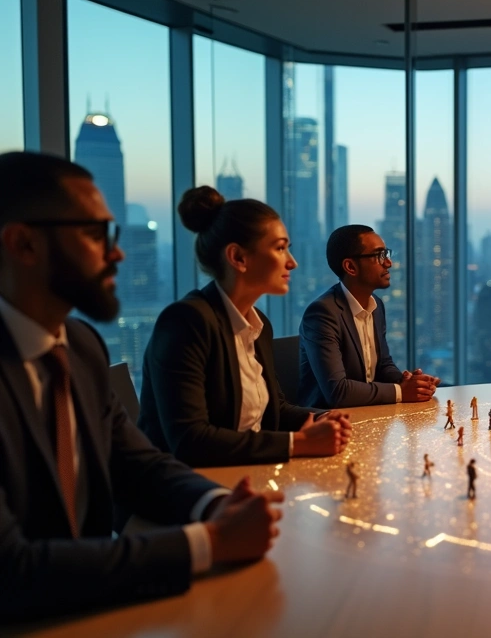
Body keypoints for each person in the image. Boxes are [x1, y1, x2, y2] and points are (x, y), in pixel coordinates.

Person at [0, 152, 284, 620]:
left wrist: (217, 505)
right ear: (23, 244)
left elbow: (137, 463)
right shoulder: (184, 321)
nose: (118, 253)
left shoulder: (80, 347)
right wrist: (209, 542)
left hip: (95, 607)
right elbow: (12, 571)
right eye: (96, 235)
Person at [139, 186, 351, 467]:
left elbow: (274, 410)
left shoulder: (258, 325)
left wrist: (322, 418)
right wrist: (299, 443)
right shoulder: (186, 322)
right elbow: (189, 441)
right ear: (238, 257)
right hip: (188, 485)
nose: (292, 262)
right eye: (280, 248)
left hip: (244, 473)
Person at [298, 225, 439, 409]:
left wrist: (411, 382)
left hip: (367, 411)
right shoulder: (322, 313)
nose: (388, 263)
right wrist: (401, 392)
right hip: (328, 419)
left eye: (386, 254)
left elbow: (383, 365)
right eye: (379, 255)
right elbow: (337, 392)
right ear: (350, 267)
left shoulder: (376, 305)